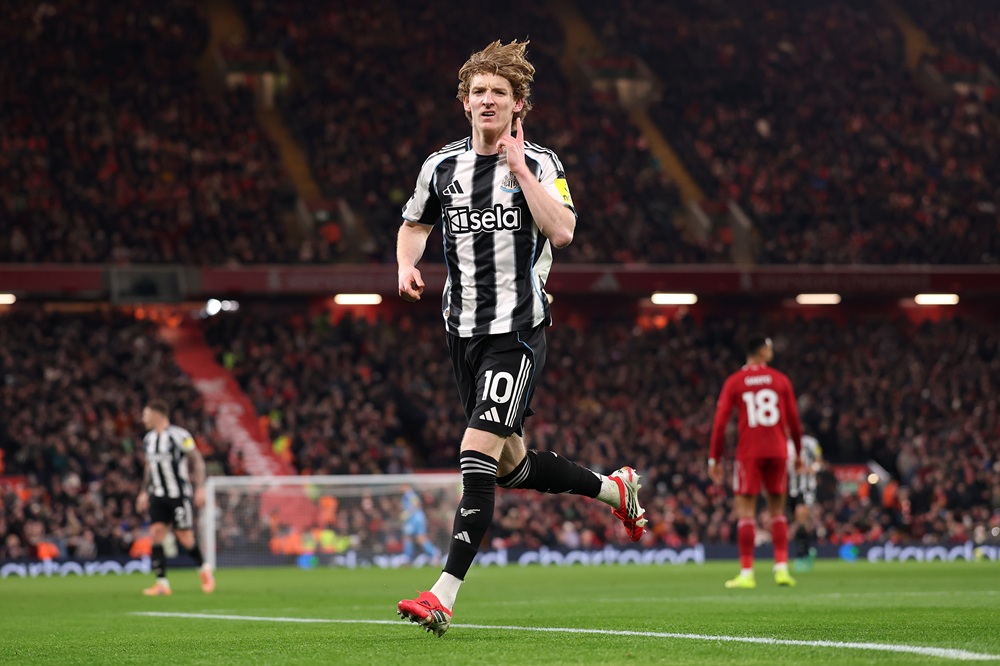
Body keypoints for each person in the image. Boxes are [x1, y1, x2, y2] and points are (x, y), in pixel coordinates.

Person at [395, 39, 647, 637]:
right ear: (464, 102)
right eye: (478, 91)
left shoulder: (542, 163)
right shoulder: (440, 167)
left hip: (518, 328)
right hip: (462, 331)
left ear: (518, 105)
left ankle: (443, 594)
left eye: (499, 93)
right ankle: (613, 490)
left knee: (476, 448)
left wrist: (521, 172)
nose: (488, 100)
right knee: (508, 465)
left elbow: (562, 231)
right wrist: (405, 264)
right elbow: (413, 225)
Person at [708, 335, 804, 589]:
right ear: (762, 352)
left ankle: (747, 573)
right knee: (778, 511)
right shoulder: (780, 379)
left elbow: (720, 423)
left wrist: (714, 458)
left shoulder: (735, 382)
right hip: (778, 451)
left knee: (746, 513)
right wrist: (799, 452)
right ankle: (781, 569)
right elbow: (794, 420)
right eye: (769, 348)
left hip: (749, 452)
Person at [136, 400, 215, 596]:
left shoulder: (180, 435)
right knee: (156, 533)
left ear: (157, 414)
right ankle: (162, 583)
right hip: (158, 495)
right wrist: (144, 492)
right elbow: (149, 468)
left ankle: (204, 569)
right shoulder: (148, 440)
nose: (143, 419)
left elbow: (197, 460)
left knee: (184, 537)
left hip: (178, 495)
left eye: (146, 414)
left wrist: (200, 488)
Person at [788, 432, 822, 571]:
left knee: (801, 519)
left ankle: (802, 556)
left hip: (806, 487)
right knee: (795, 522)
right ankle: (807, 551)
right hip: (789, 488)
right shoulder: (781, 442)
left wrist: (810, 469)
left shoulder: (810, 442)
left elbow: (819, 461)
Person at [400, 485, 441, 565]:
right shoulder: (407, 495)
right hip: (418, 518)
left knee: (407, 537)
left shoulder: (410, 494)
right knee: (420, 538)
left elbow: (416, 504)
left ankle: (407, 558)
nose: (400, 488)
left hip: (415, 519)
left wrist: (407, 513)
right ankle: (434, 553)